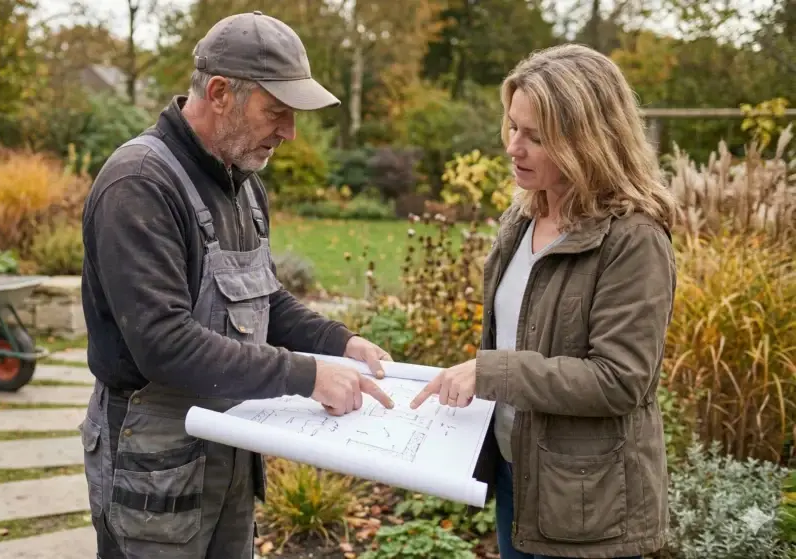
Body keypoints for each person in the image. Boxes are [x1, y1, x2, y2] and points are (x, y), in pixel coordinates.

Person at [78, 11, 395, 559]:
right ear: (220, 92)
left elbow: (261, 296)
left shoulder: (241, 183)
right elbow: (163, 343)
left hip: (229, 445)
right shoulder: (140, 186)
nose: (290, 132)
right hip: (154, 461)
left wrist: (337, 342)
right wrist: (306, 374)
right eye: (277, 112)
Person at [410, 43, 678, 559]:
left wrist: (492, 372)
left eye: (536, 137)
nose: (514, 147)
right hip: (521, 475)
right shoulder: (523, 218)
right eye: (512, 126)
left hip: (589, 504)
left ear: (590, 142)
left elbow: (620, 380)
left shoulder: (633, 239)